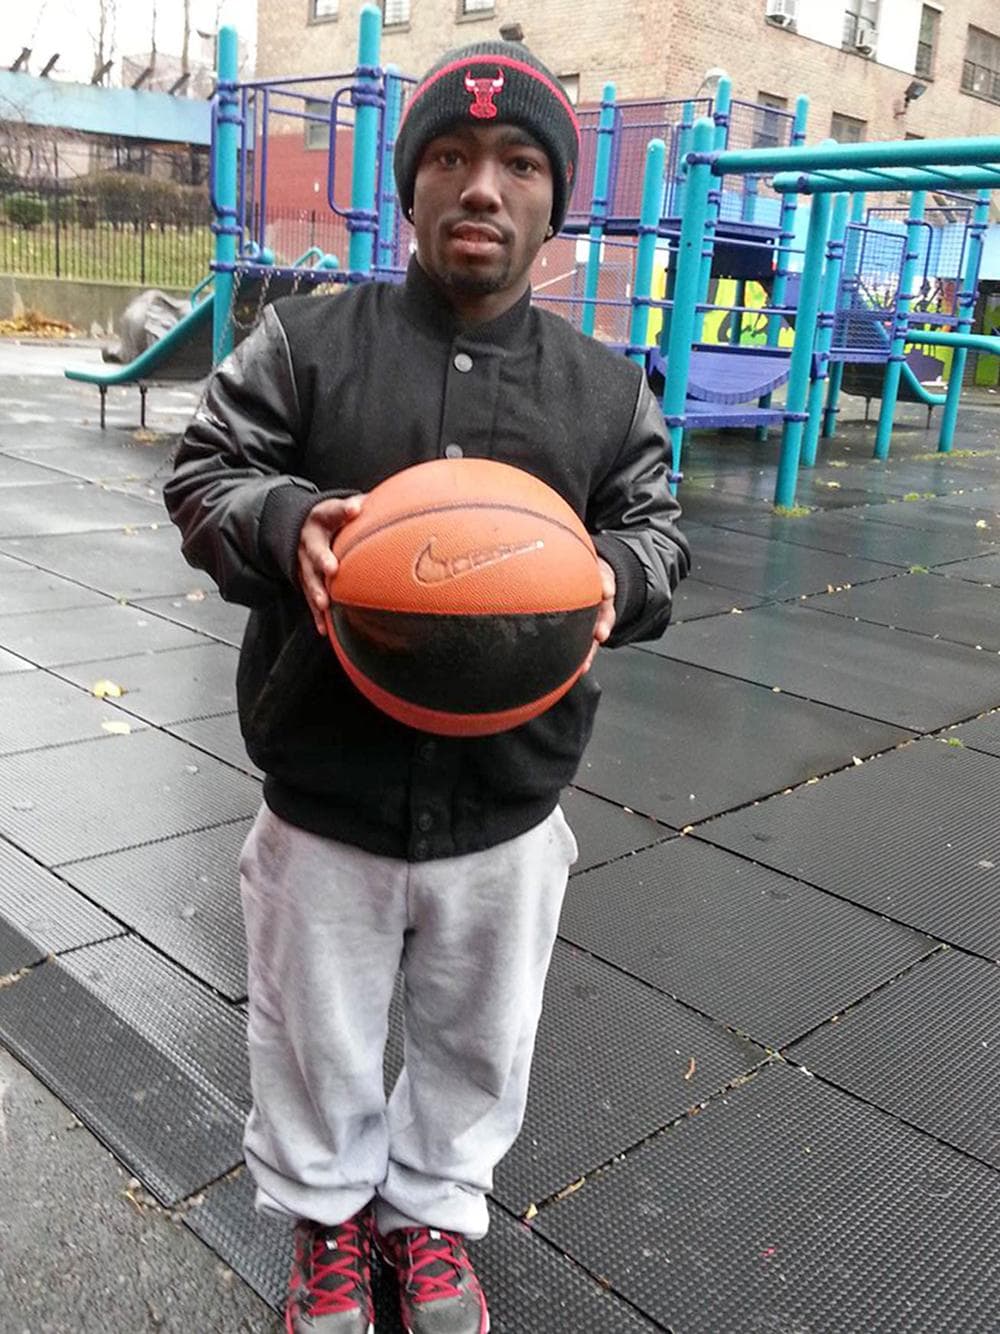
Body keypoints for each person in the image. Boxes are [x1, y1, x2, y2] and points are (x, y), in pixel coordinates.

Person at [165, 38, 689, 1334]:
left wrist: (603, 574)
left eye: (518, 164)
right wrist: (291, 524)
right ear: (408, 189)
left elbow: (664, 538)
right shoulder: (301, 343)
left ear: (553, 201)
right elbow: (202, 477)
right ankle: (329, 1224)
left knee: (476, 1035)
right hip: (324, 789)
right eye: (449, 158)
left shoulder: (607, 388)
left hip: (508, 800)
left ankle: (435, 1218)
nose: (482, 187)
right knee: (313, 1032)